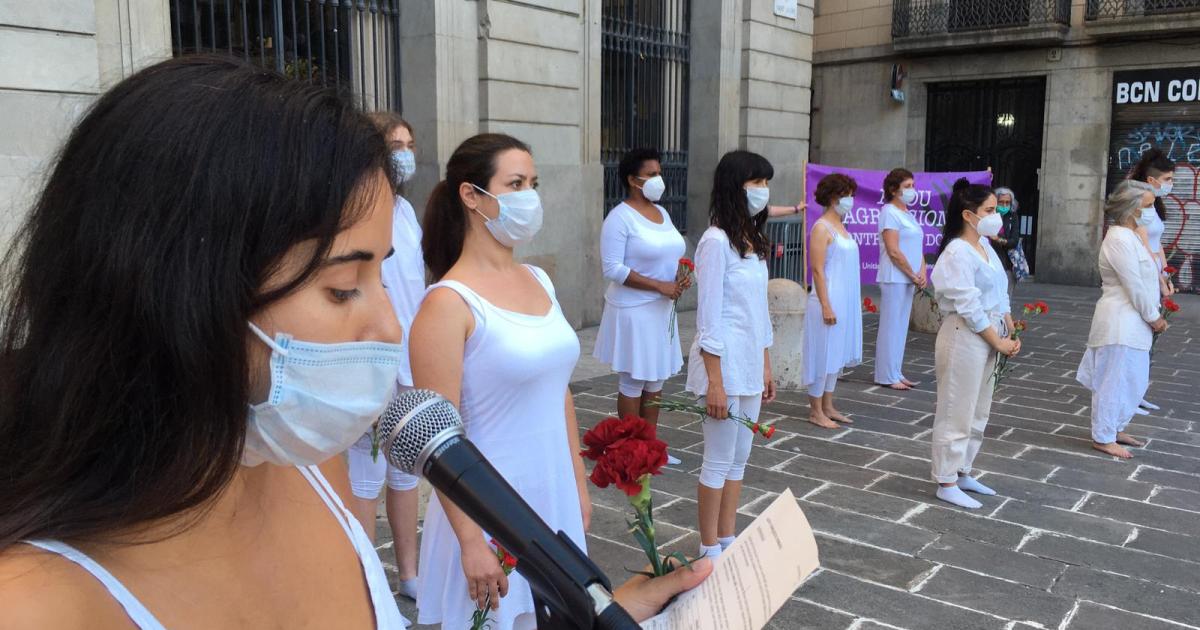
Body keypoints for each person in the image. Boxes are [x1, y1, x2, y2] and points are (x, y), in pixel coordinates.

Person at [0, 56, 710, 630]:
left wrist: (601, 614)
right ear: (179, 296)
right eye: (344, 288)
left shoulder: (310, 473)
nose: (391, 327)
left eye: (381, 275)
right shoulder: (39, 603)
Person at [410, 133, 591, 629]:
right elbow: (436, 442)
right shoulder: (447, 304)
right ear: (472, 196)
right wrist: (471, 540)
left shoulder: (539, 280)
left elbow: (559, 391)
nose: (529, 196)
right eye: (515, 184)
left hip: (552, 493)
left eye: (534, 183)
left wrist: (576, 484)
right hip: (488, 507)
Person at [344, 112, 422, 600]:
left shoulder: (406, 211)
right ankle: (366, 581)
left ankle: (409, 574)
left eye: (410, 145)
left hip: (410, 352)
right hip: (372, 354)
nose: (406, 155)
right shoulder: (353, 207)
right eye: (396, 145)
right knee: (366, 471)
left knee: (405, 466)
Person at [686, 150, 777, 560]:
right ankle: (708, 546)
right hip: (722, 366)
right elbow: (709, 319)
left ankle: (727, 537)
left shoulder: (751, 241)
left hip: (749, 362)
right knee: (718, 459)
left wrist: (766, 365)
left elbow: (759, 310)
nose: (763, 190)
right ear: (734, 186)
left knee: (740, 458)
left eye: (765, 183)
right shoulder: (715, 242)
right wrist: (715, 383)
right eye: (756, 182)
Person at [594, 148, 690, 465]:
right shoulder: (619, 218)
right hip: (634, 309)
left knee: (656, 378)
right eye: (651, 174)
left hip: (662, 309)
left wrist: (679, 276)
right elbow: (612, 268)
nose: (658, 179)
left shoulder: (662, 213)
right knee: (635, 379)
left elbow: (671, 252)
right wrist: (658, 285)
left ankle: (651, 448)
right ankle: (630, 449)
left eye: (659, 173)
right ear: (632, 180)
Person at [929, 178, 1019, 510]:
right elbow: (968, 305)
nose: (997, 216)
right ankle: (946, 479)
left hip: (990, 331)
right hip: (965, 334)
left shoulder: (985, 246)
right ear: (969, 215)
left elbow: (999, 289)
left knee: (979, 409)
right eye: (990, 210)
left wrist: (1008, 325)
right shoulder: (957, 252)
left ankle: (963, 469)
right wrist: (997, 340)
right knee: (957, 408)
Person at [1076, 182, 1169, 459]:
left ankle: (1114, 428)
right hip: (1119, 321)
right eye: (1148, 206)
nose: (1152, 211)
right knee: (1113, 382)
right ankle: (1103, 436)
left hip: (1134, 323)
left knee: (1132, 380)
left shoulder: (1133, 236)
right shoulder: (1118, 239)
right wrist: (1154, 317)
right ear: (1132, 208)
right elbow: (1134, 285)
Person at [803, 174, 863, 428]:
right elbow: (817, 270)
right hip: (826, 299)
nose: (849, 200)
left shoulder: (842, 227)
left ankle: (828, 405)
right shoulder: (821, 228)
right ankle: (815, 410)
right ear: (831, 198)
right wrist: (826, 305)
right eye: (844, 195)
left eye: (851, 195)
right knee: (823, 354)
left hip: (844, 299)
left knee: (835, 354)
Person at [1128, 149, 1177, 415]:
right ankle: (1128, 395)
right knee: (1137, 336)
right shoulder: (1139, 206)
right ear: (1151, 180)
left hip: (1155, 277)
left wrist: (1166, 275)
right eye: (1168, 179)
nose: (1171, 184)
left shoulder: (1154, 205)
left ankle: (1138, 392)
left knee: (1148, 340)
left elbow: (1158, 246)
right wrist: (1159, 279)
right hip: (1143, 276)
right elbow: (1145, 246)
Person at [874, 168, 926, 390]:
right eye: (907, 186)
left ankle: (895, 370)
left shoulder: (908, 214)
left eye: (913, 185)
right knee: (891, 326)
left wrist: (922, 272)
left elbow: (917, 248)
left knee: (901, 327)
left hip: (908, 278)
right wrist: (912, 274)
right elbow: (893, 250)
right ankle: (886, 375)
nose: (912, 190)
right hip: (894, 276)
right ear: (893, 190)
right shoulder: (889, 212)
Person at [988, 186, 1022, 295]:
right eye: (1001, 202)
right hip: (990, 262)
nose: (1004, 205)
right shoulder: (989, 215)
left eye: (1007, 202)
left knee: (1006, 296)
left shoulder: (1013, 216)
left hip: (1007, 264)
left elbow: (1014, 241)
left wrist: (999, 240)